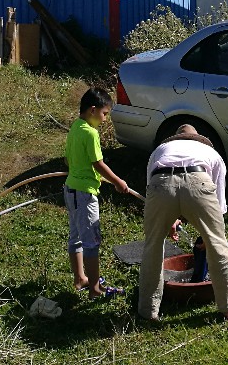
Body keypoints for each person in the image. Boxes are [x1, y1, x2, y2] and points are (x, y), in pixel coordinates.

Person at [136, 123, 228, 322]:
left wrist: (169, 220)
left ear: (175, 138)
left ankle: (148, 312)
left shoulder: (159, 150)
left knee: (152, 245)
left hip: (161, 182)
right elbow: (219, 203)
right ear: (198, 139)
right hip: (198, 178)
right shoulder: (210, 153)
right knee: (218, 244)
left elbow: (152, 186)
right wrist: (207, 237)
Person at [64, 86, 129, 298]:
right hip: (84, 194)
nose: (104, 119)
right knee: (91, 242)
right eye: (104, 114)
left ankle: (80, 278)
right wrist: (118, 181)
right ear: (92, 110)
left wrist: (83, 171)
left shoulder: (75, 127)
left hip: (71, 189)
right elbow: (98, 163)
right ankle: (94, 289)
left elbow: (68, 159)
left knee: (76, 238)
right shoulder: (90, 133)